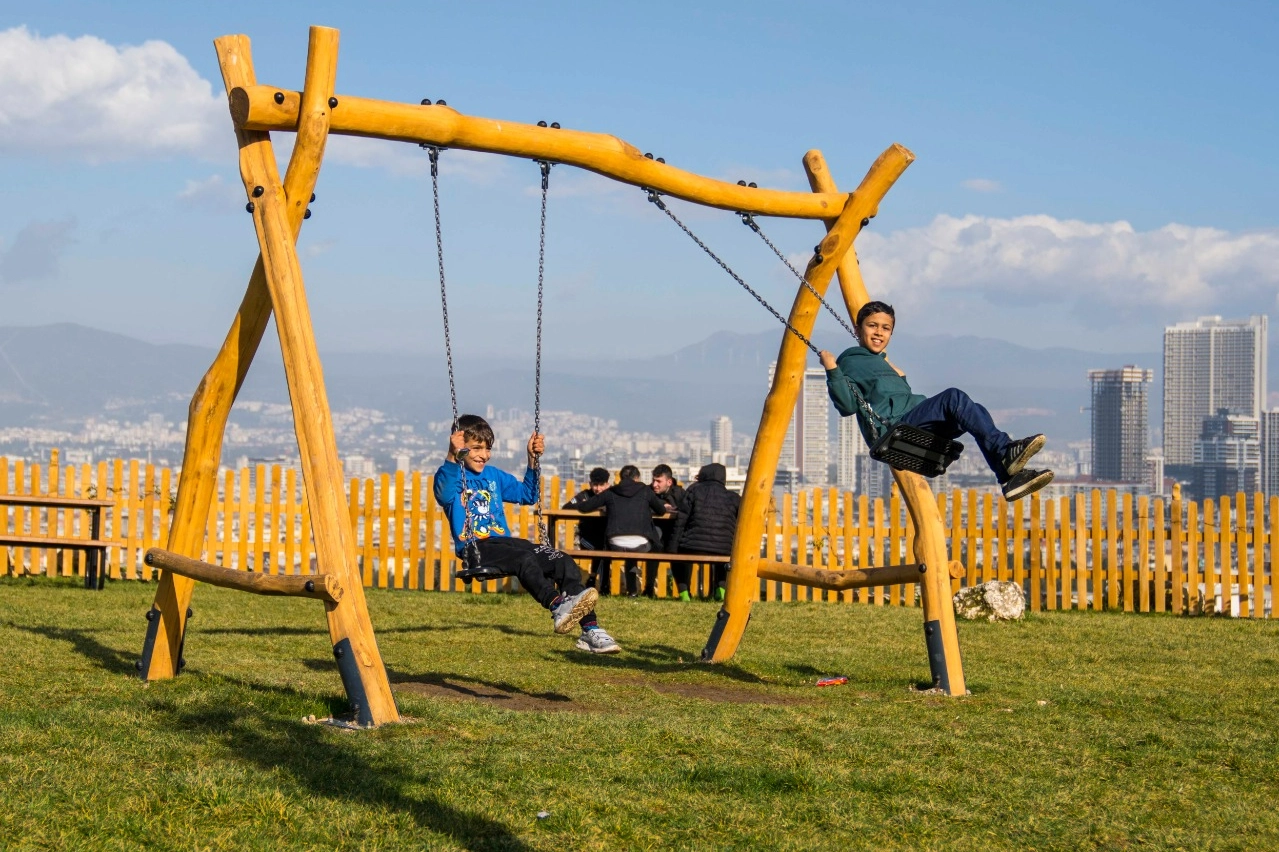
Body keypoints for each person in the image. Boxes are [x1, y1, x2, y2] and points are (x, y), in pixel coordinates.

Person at [819, 300, 1053, 502]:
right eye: (872, 326)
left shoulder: (882, 362)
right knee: (954, 397)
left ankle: (1007, 479)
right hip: (894, 427)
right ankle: (1005, 450)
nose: (879, 332)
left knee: (974, 410)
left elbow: (895, 395)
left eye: (886, 328)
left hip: (913, 421)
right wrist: (832, 369)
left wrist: (898, 374)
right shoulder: (851, 360)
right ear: (857, 329)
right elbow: (848, 406)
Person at [433, 414, 620, 654]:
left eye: (488, 448)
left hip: (505, 542)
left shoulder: (493, 476)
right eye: (477, 448)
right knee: (524, 560)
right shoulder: (451, 476)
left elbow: (527, 495)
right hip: (476, 547)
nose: (484, 454)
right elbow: (443, 492)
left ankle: (591, 630)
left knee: (561, 560)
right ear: (460, 445)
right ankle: (557, 605)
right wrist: (451, 454)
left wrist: (532, 460)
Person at [564, 464, 667, 597]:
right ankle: (647, 589)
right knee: (655, 544)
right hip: (640, 544)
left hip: (614, 544)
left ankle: (621, 589)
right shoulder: (645, 491)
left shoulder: (611, 492)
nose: (598, 488)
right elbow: (662, 510)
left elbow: (584, 507)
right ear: (637, 478)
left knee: (610, 548)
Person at [672, 462, 741, 602]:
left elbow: (681, 521)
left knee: (678, 557)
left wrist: (672, 547)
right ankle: (720, 589)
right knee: (722, 553)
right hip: (724, 548)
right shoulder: (733, 498)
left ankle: (684, 593)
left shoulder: (693, 491)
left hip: (693, 547)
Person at [562, 467, 612, 594]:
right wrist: (586, 506)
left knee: (604, 548)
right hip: (586, 538)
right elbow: (566, 507)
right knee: (601, 549)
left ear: (608, 484)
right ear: (590, 484)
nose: (598, 489)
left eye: (602, 485)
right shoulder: (584, 495)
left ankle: (597, 581)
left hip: (605, 538)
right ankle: (601, 583)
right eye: (595, 485)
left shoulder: (611, 496)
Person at [647, 463, 686, 596]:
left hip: (673, 536)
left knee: (678, 552)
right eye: (653, 480)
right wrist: (662, 506)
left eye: (658, 481)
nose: (654, 485)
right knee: (653, 549)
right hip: (654, 536)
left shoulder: (680, 494)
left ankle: (683, 592)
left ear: (669, 482)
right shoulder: (648, 492)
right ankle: (649, 589)